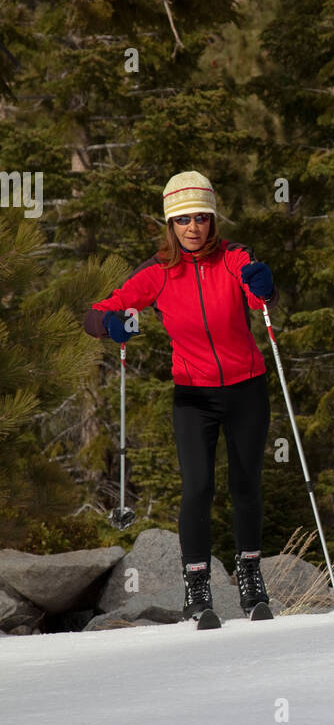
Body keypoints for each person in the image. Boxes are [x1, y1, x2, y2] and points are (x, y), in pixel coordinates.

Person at [83, 171, 278, 623]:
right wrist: (111, 325)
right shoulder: (158, 272)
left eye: (202, 218)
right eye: (183, 219)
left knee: (245, 484)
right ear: (170, 224)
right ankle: (197, 589)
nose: (194, 228)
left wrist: (263, 284)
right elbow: (97, 313)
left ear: (213, 220)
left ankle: (251, 580)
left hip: (247, 387)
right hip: (194, 396)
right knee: (198, 488)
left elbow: (258, 297)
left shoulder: (234, 258)